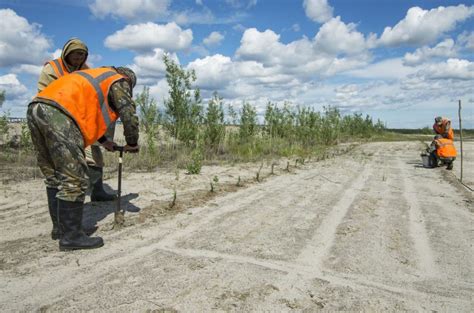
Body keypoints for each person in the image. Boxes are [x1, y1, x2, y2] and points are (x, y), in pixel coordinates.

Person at [27, 66, 139, 250]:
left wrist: (104, 141)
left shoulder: (94, 76)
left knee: (54, 175)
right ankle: (71, 237)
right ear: (129, 80)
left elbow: (87, 114)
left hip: (36, 108)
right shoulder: (118, 80)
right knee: (74, 177)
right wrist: (132, 142)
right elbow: (128, 113)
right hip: (59, 113)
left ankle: (60, 230)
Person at [38, 38, 117, 202]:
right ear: (67, 53)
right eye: (76, 54)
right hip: (56, 117)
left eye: (82, 55)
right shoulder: (52, 69)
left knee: (94, 153)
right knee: (63, 161)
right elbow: (45, 96)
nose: (79, 58)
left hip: (81, 118)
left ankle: (97, 191)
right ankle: (62, 198)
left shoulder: (85, 70)